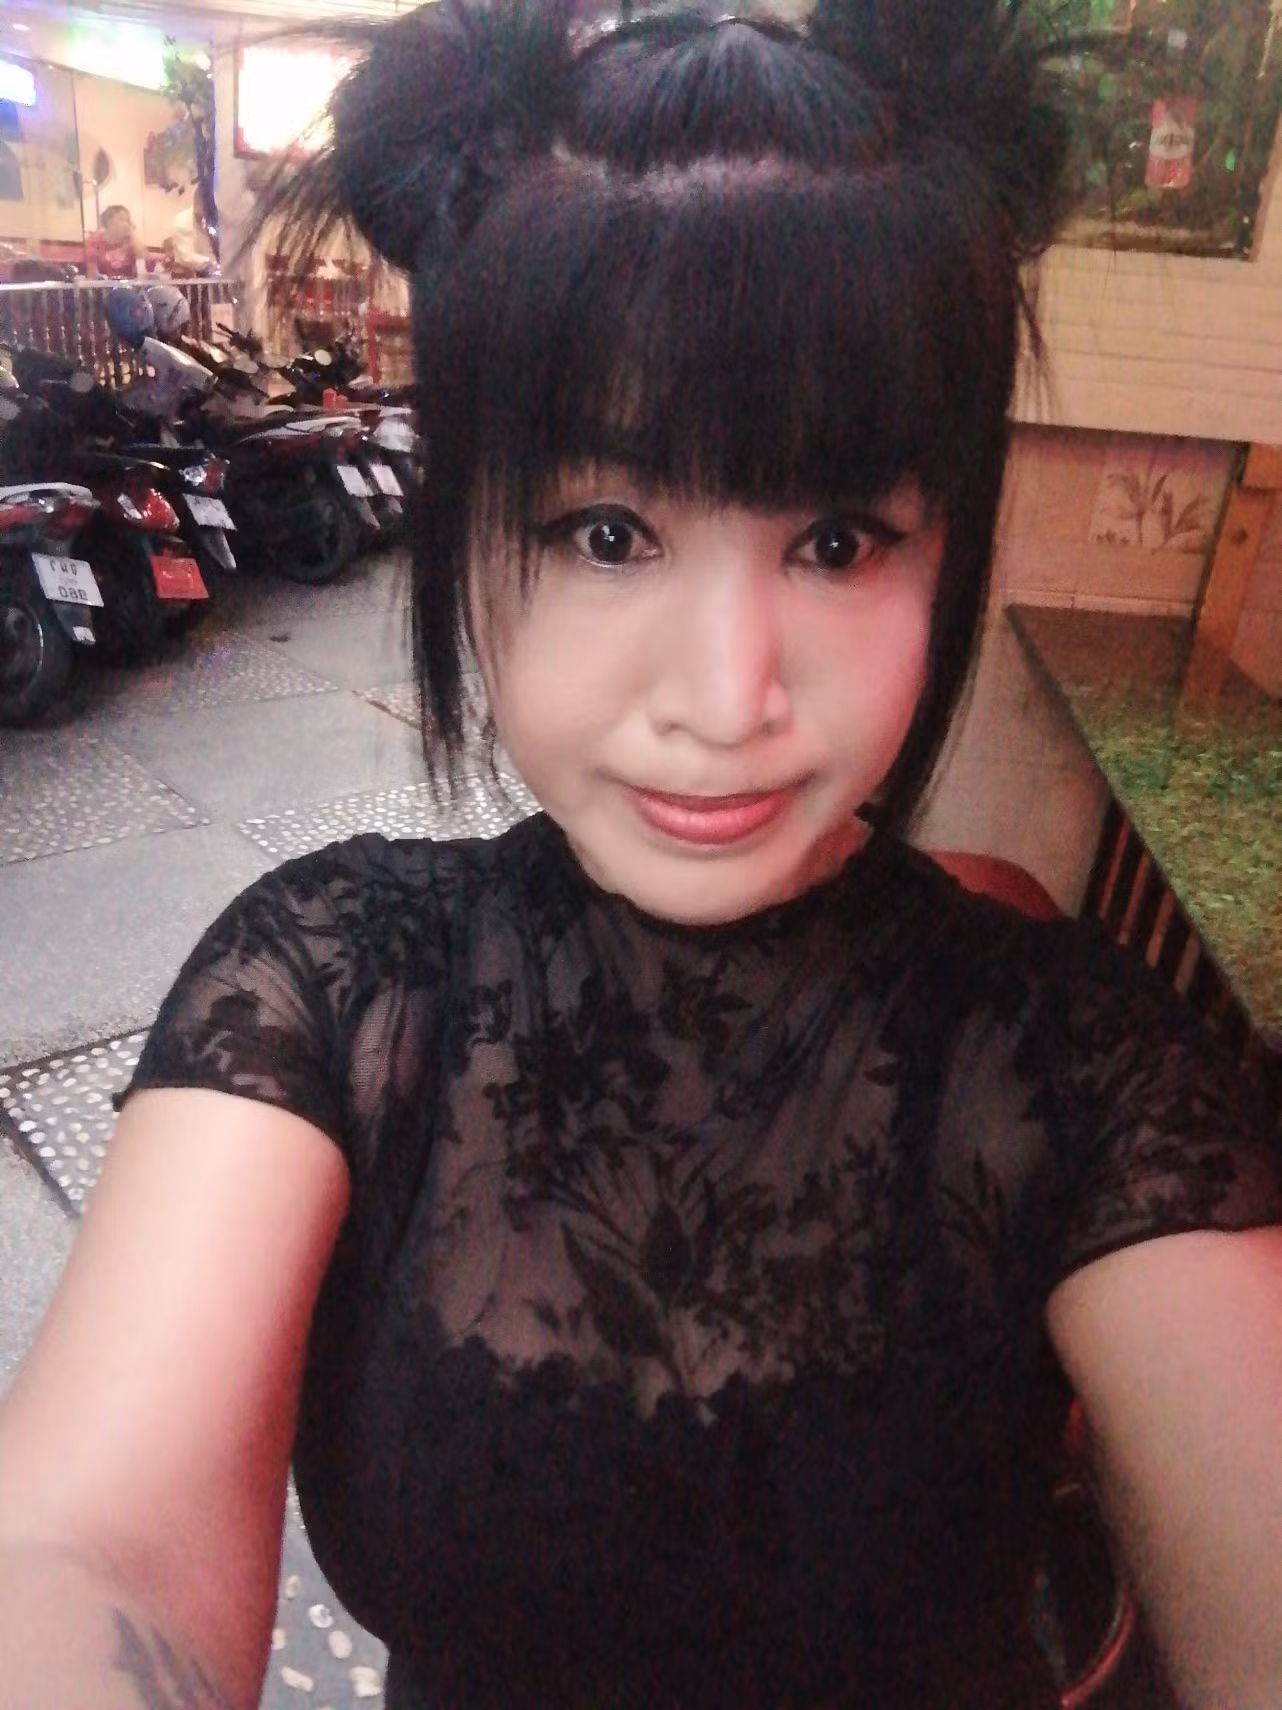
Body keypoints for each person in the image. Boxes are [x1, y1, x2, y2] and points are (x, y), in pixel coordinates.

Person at [1, 1, 1280, 1706]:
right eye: (608, 533)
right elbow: (90, 1548)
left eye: (838, 540)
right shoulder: (332, 988)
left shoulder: (1073, 1062)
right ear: (466, 527)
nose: (727, 698)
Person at [84, 203, 143, 280]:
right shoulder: (94, 242)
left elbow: (142, 260)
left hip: (129, 284)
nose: (126, 224)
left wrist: (133, 233)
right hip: (104, 285)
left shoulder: (130, 240)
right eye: (122, 219)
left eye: (128, 221)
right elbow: (92, 274)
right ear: (109, 221)